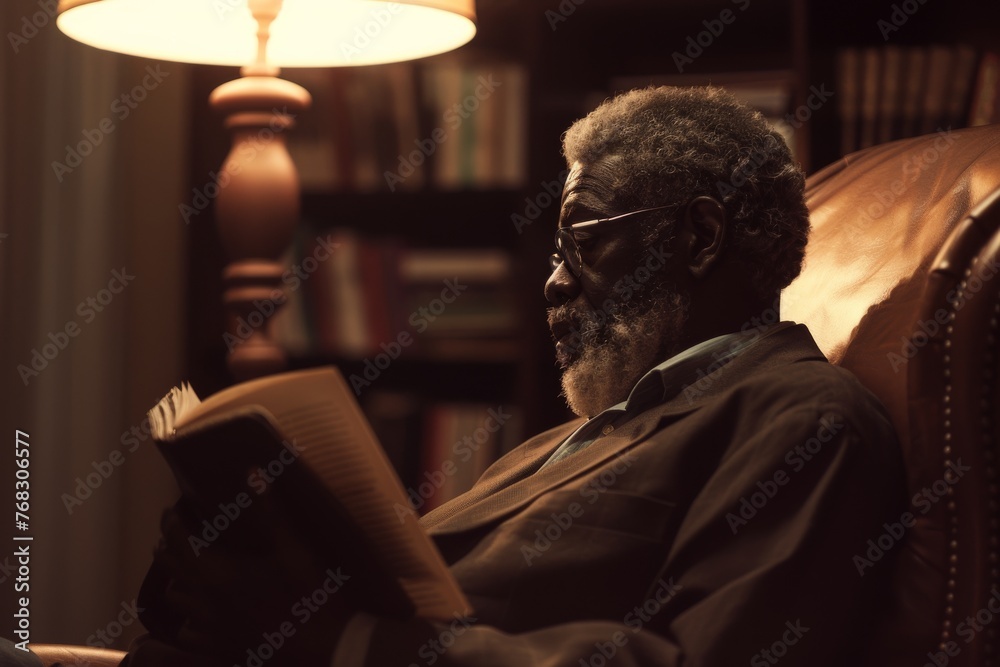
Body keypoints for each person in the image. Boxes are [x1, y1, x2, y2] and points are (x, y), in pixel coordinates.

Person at [125, 85, 905, 667]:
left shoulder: (807, 423)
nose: (553, 283)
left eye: (582, 241)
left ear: (699, 236)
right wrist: (214, 564)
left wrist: (346, 643)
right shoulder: (561, 443)